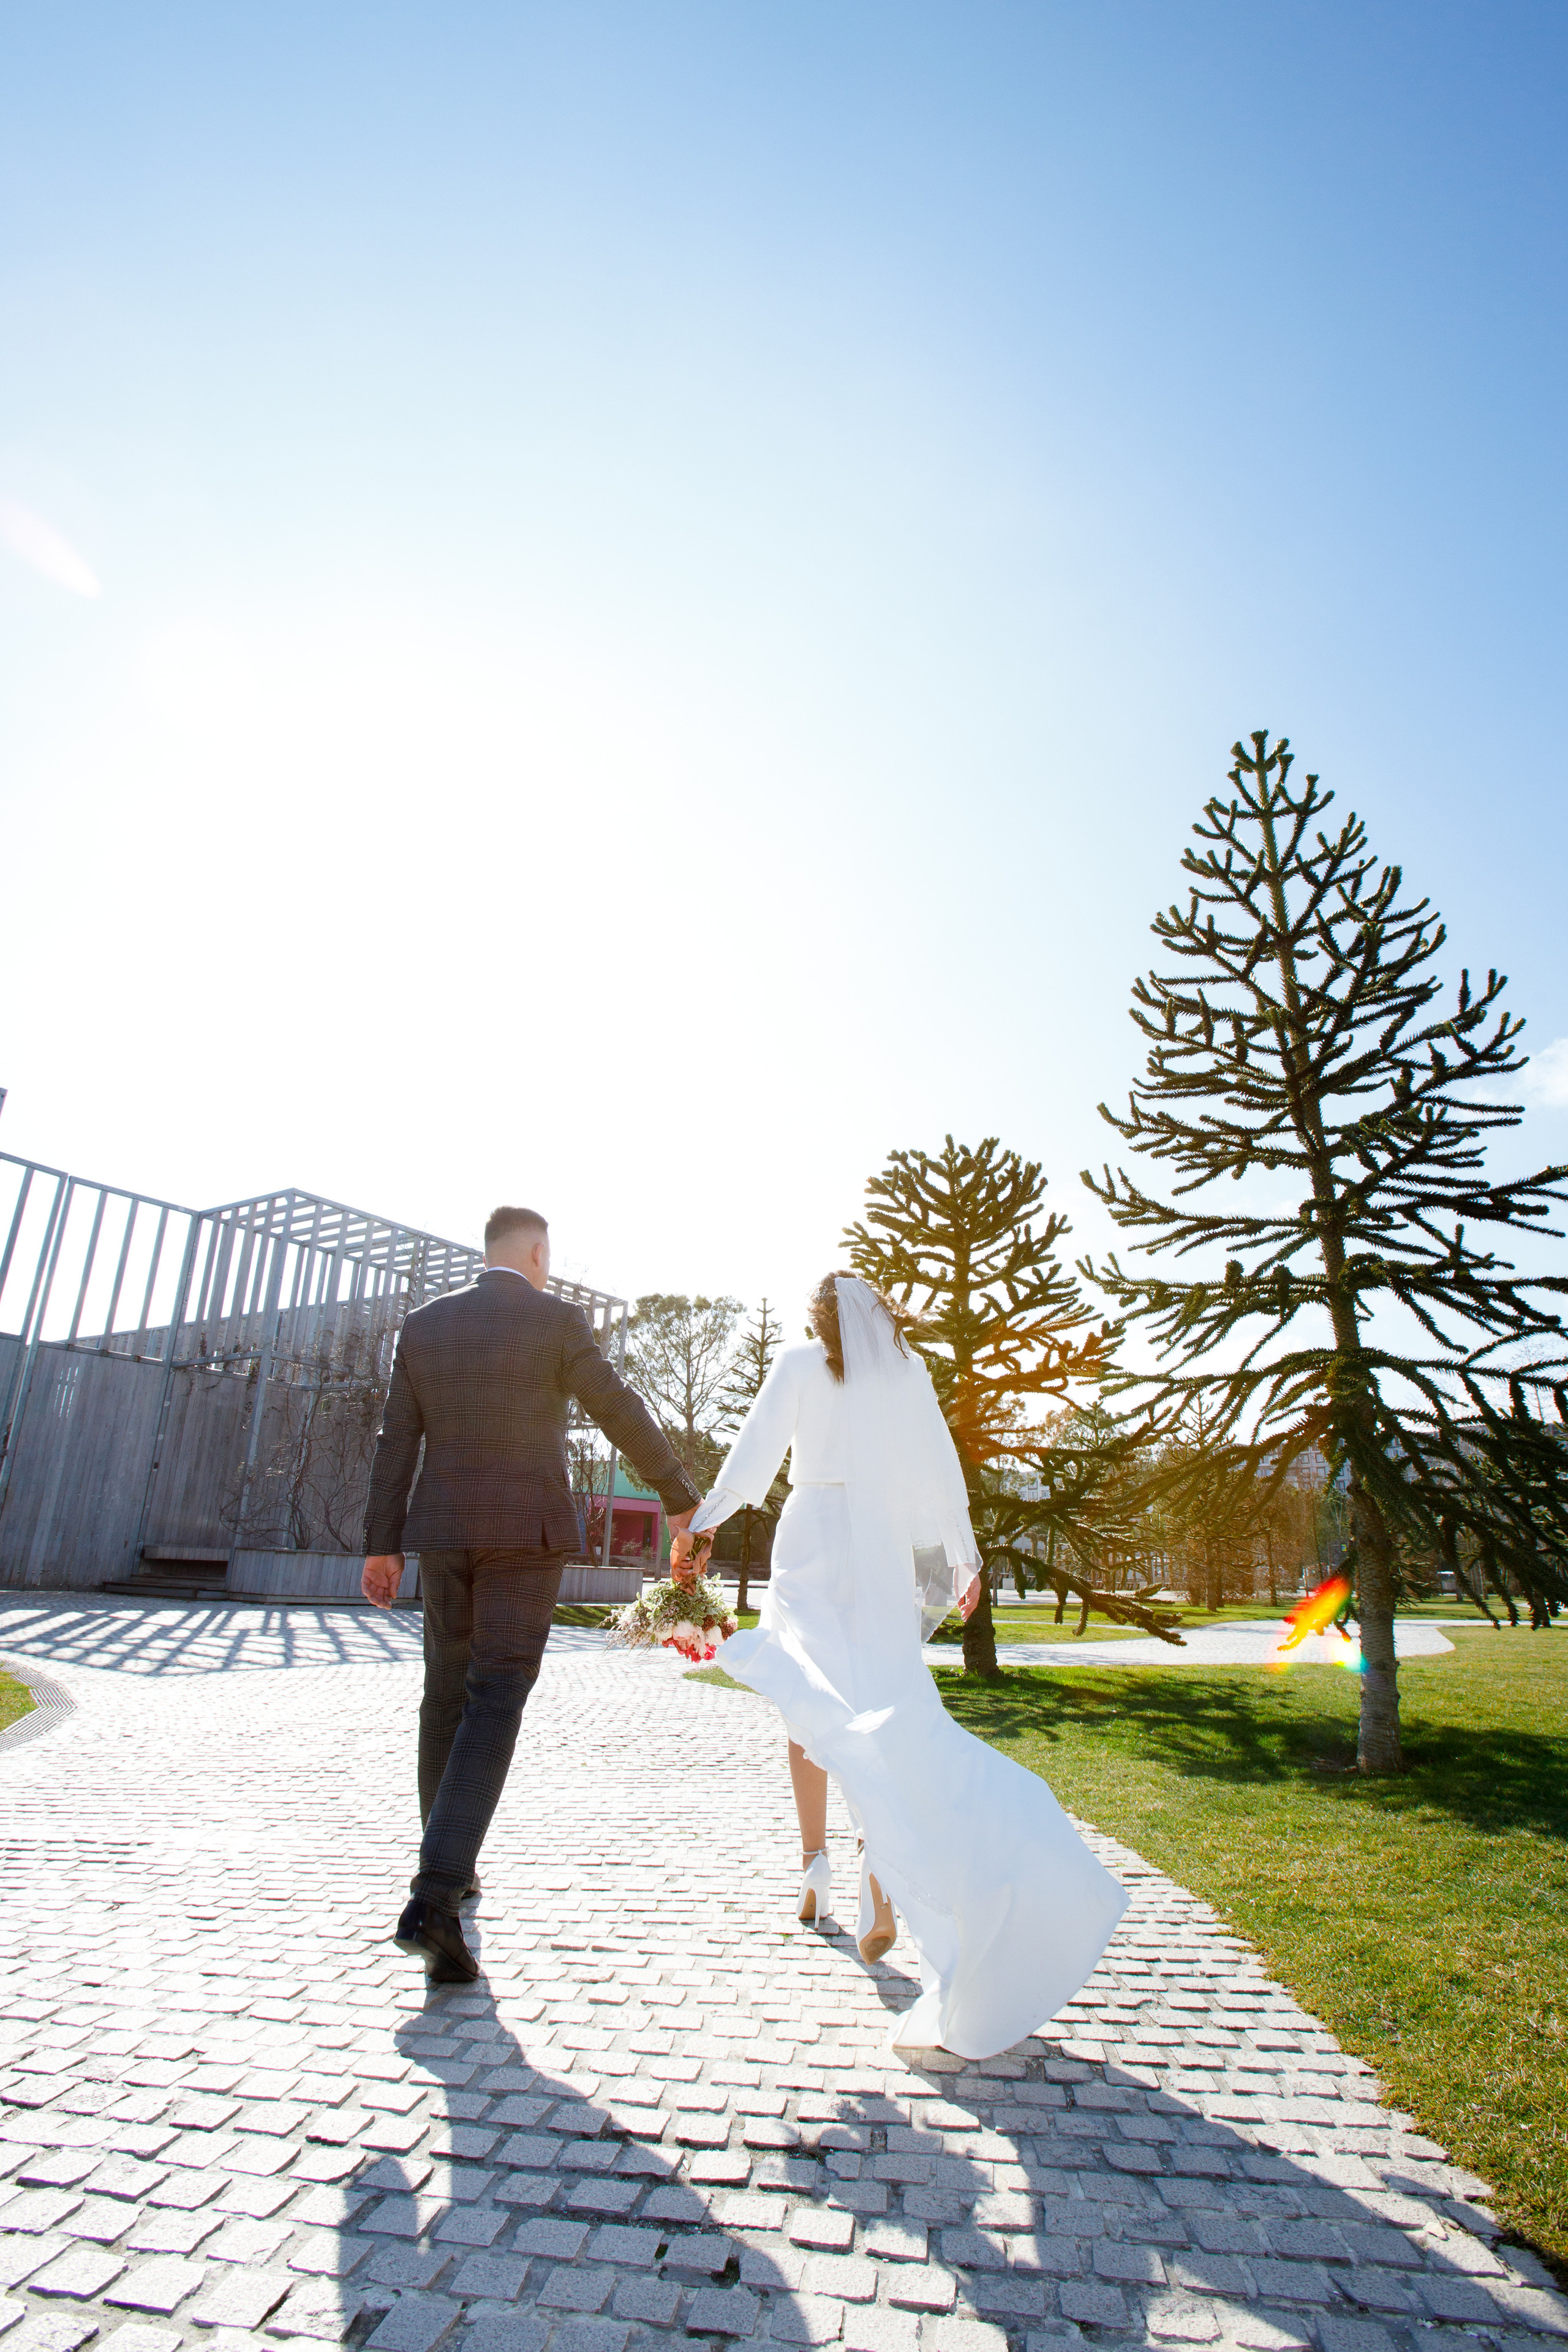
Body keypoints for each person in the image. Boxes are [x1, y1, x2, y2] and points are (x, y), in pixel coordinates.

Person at [682, 1272, 1128, 2060]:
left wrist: (706, 1525)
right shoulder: (907, 1371)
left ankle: (814, 1864)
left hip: (813, 1536)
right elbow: (937, 1469)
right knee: (882, 1699)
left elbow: (750, 1464)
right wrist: (963, 1557)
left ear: (817, 1320)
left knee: (809, 1700)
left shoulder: (796, 1365)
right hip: (880, 1546)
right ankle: (876, 1877)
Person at [362, 1204, 701, 1983]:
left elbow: (394, 1440)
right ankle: (437, 1893)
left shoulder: (424, 1325)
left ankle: (451, 1870)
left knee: (444, 1697)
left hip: (444, 1533)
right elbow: (617, 1406)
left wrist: (381, 1544)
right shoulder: (554, 1320)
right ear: (539, 1253)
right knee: (495, 1695)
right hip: (525, 1533)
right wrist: (677, 1495)